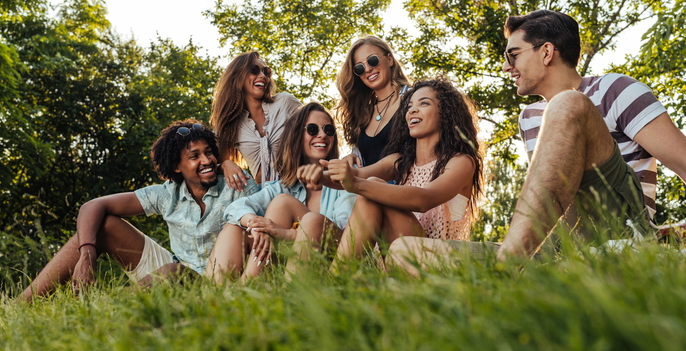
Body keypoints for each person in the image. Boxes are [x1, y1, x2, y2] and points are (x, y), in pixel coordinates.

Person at [496, 10, 686, 261]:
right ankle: (534, 258)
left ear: (546, 52)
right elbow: (547, 194)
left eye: (513, 55)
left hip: (622, 227)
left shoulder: (616, 90)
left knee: (568, 104)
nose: (506, 66)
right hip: (566, 237)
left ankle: (507, 264)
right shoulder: (529, 118)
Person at [20, 121, 258, 301]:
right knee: (103, 226)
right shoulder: (167, 194)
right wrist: (86, 257)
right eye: (194, 156)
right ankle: (20, 305)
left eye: (209, 153)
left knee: (172, 272)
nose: (206, 160)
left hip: (217, 279)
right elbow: (93, 206)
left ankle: (109, 308)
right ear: (176, 166)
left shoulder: (237, 183)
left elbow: (262, 232)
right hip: (176, 267)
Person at [294, 78, 484, 270]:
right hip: (388, 253)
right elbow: (357, 175)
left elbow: (424, 199)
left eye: (423, 103)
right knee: (313, 221)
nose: (412, 110)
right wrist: (321, 175)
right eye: (409, 106)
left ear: (446, 113)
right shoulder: (400, 161)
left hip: (432, 259)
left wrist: (358, 184)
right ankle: (289, 293)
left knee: (374, 189)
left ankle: (335, 280)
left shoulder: (461, 162)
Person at [204, 103, 356, 283]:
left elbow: (348, 235)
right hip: (286, 262)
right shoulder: (285, 185)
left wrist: (284, 234)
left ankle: (245, 289)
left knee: (285, 204)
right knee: (234, 229)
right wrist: (259, 227)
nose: (322, 134)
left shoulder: (345, 180)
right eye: (313, 129)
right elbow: (235, 208)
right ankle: (213, 298)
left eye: (328, 129)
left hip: (331, 260)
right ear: (297, 135)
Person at [210, 51, 301, 191]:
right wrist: (225, 164)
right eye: (254, 70)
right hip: (264, 197)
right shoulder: (229, 123)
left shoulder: (285, 102)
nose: (263, 76)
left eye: (266, 72)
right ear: (237, 76)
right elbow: (212, 166)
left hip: (301, 188)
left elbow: (319, 129)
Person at [336, 35, 411, 167]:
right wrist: (353, 157)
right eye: (359, 68)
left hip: (409, 185)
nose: (368, 69)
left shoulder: (413, 98)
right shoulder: (362, 115)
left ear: (389, 59)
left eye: (372, 60)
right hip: (368, 186)